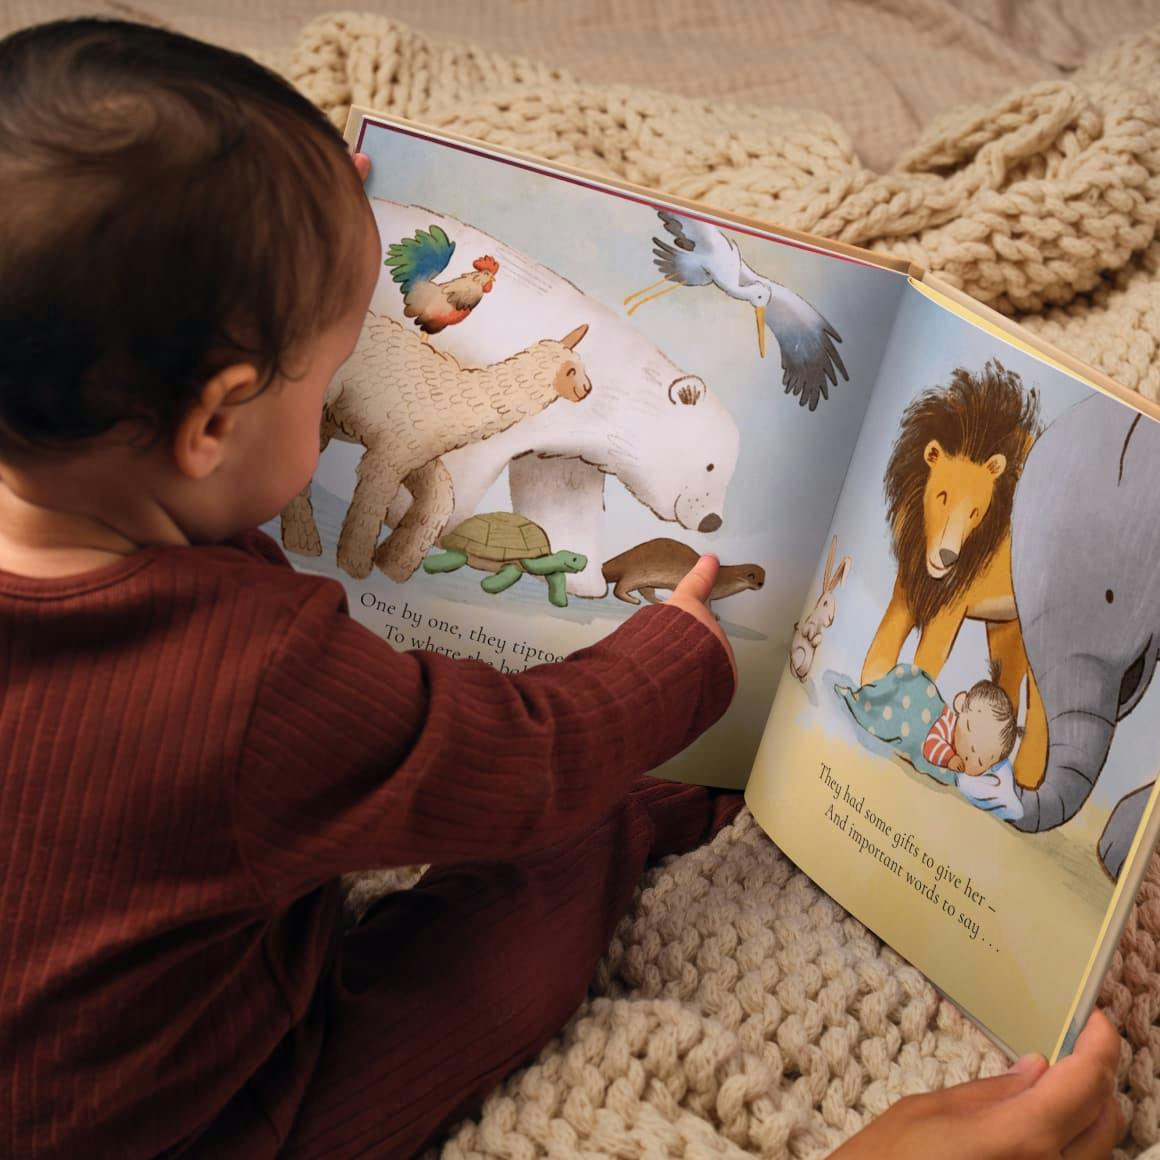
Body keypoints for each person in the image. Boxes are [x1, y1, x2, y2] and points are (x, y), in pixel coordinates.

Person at [0, 18, 1123, 1160]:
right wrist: (672, 657)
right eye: (331, 362)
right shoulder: (259, 677)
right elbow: (514, 752)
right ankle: (638, 813)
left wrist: (295, 238)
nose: (346, 373)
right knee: (513, 927)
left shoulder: (67, 474)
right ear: (211, 423)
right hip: (209, 1118)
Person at [923, 665, 1019, 776]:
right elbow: (930, 745)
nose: (972, 750)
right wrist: (949, 758)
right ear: (960, 704)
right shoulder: (948, 723)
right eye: (969, 727)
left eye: (980, 761)